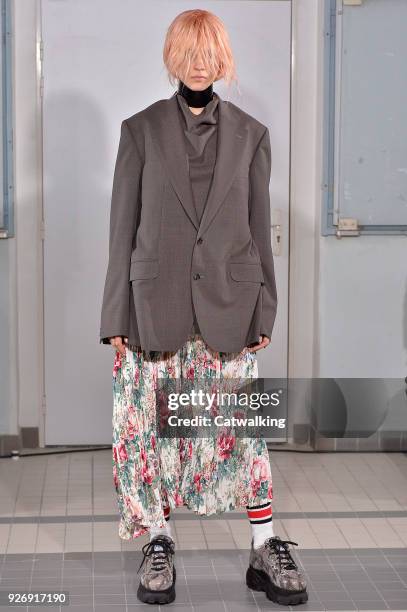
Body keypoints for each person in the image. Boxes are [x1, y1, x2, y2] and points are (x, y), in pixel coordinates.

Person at [99, 8, 307, 607]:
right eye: (187, 51)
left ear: (223, 58)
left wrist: (264, 307)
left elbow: (258, 230)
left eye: (208, 51)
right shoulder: (139, 131)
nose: (198, 62)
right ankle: (158, 543)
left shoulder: (252, 134)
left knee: (246, 432)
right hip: (153, 309)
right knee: (151, 431)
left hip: (229, 304)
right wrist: (115, 314)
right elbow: (122, 229)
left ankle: (265, 546)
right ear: (173, 57)